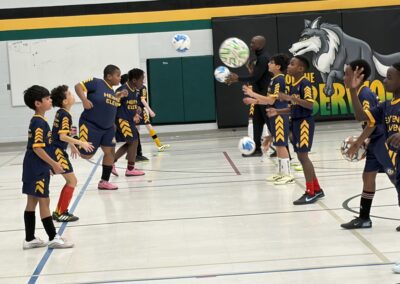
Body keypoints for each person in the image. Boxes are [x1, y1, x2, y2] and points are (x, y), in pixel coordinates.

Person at [344, 62, 400, 274]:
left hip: (381, 147)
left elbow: (371, 127)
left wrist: (359, 142)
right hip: (389, 153)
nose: (384, 81)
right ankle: (364, 217)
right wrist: (351, 89)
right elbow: (362, 118)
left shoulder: (372, 95)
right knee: (372, 180)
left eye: (389, 77)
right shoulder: (386, 105)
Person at [340, 60, 396, 229]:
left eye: (347, 74)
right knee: (367, 177)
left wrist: (358, 142)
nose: (344, 77)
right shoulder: (358, 92)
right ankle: (364, 218)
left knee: (396, 178)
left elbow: (371, 123)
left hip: (382, 142)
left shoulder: (365, 94)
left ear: (359, 75)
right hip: (373, 142)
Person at [267, 55, 324, 204]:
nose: (289, 67)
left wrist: (289, 98)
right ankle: (316, 189)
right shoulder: (294, 85)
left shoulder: (305, 84)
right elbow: (293, 108)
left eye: (292, 64)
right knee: (302, 157)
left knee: (303, 158)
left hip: (305, 123)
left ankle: (310, 192)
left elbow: (310, 105)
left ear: (300, 68)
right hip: (296, 122)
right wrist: (278, 112)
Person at [22, 85, 74, 249]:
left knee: (32, 201)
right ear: (38, 103)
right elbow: (38, 148)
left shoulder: (39, 121)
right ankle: (53, 237)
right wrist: (53, 164)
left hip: (33, 165)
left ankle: (30, 239)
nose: (50, 100)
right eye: (47, 99)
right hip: (36, 167)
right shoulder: (39, 123)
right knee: (44, 201)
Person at [75, 65, 127, 190]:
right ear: (109, 76)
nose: (120, 78)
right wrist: (84, 100)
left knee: (109, 153)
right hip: (90, 125)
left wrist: (119, 96)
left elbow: (109, 104)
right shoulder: (96, 82)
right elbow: (78, 86)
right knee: (86, 155)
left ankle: (104, 181)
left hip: (108, 129)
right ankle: (74, 140)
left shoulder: (112, 92)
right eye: (118, 75)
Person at [243, 54, 293, 184]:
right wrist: (253, 100)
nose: (268, 64)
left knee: (281, 145)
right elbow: (268, 101)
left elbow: (271, 100)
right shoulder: (274, 79)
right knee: (278, 144)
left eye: (271, 62)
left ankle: (287, 174)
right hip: (273, 114)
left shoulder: (280, 80)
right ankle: (281, 172)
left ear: (278, 66)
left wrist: (251, 93)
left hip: (279, 115)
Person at [50, 85, 94, 222]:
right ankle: (61, 212)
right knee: (72, 181)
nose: (72, 95)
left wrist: (73, 145)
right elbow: (62, 136)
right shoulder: (65, 115)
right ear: (65, 101)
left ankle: (59, 212)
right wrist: (82, 143)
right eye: (69, 94)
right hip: (57, 151)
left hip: (56, 149)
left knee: (70, 181)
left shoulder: (61, 112)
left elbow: (61, 134)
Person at [227, 35, 275, 157]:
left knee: (271, 124)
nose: (250, 45)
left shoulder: (263, 58)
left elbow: (255, 77)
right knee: (257, 122)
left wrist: (237, 78)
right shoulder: (260, 57)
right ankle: (257, 149)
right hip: (258, 95)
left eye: (253, 43)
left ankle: (284, 149)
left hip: (264, 96)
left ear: (261, 44)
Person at [112, 69, 145, 177]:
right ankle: (130, 169)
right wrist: (119, 95)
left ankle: (111, 162)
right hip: (122, 120)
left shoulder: (135, 90)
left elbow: (130, 106)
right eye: (141, 80)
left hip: (129, 120)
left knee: (131, 143)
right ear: (134, 80)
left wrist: (136, 112)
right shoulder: (123, 90)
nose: (143, 82)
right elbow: (113, 101)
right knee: (134, 141)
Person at [136, 83, 170, 161]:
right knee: (146, 126)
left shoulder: (134, 87)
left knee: (139, 128)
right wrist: (150, 111)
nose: (144, 78)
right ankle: (158, 145)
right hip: (140, 109)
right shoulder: (142, 87)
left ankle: (134, 150)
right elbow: (142, 99)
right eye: (142, 76)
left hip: (135, 109)